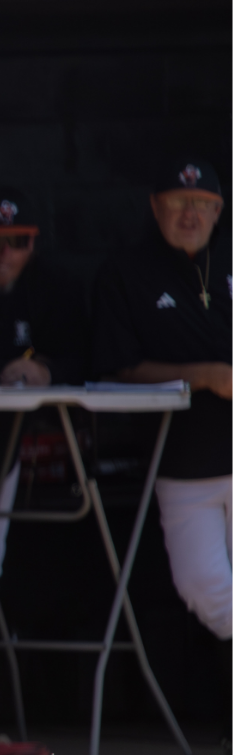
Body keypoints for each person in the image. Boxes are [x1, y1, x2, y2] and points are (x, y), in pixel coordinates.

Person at [91, 158, 231, 659]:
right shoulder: (126, 273)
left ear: (219, 210)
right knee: (206, 590)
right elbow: (117, 369)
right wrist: (205, 375)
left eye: (202, 204)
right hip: (183, 466)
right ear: (155, 207)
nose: (189, 214)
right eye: (178, 202)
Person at [0, 186, 89, 608]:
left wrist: (44, 370)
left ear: (33, 242)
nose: (4, 255)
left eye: (18, 242)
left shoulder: (51, 284)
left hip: (5, 446)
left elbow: (88, 357)